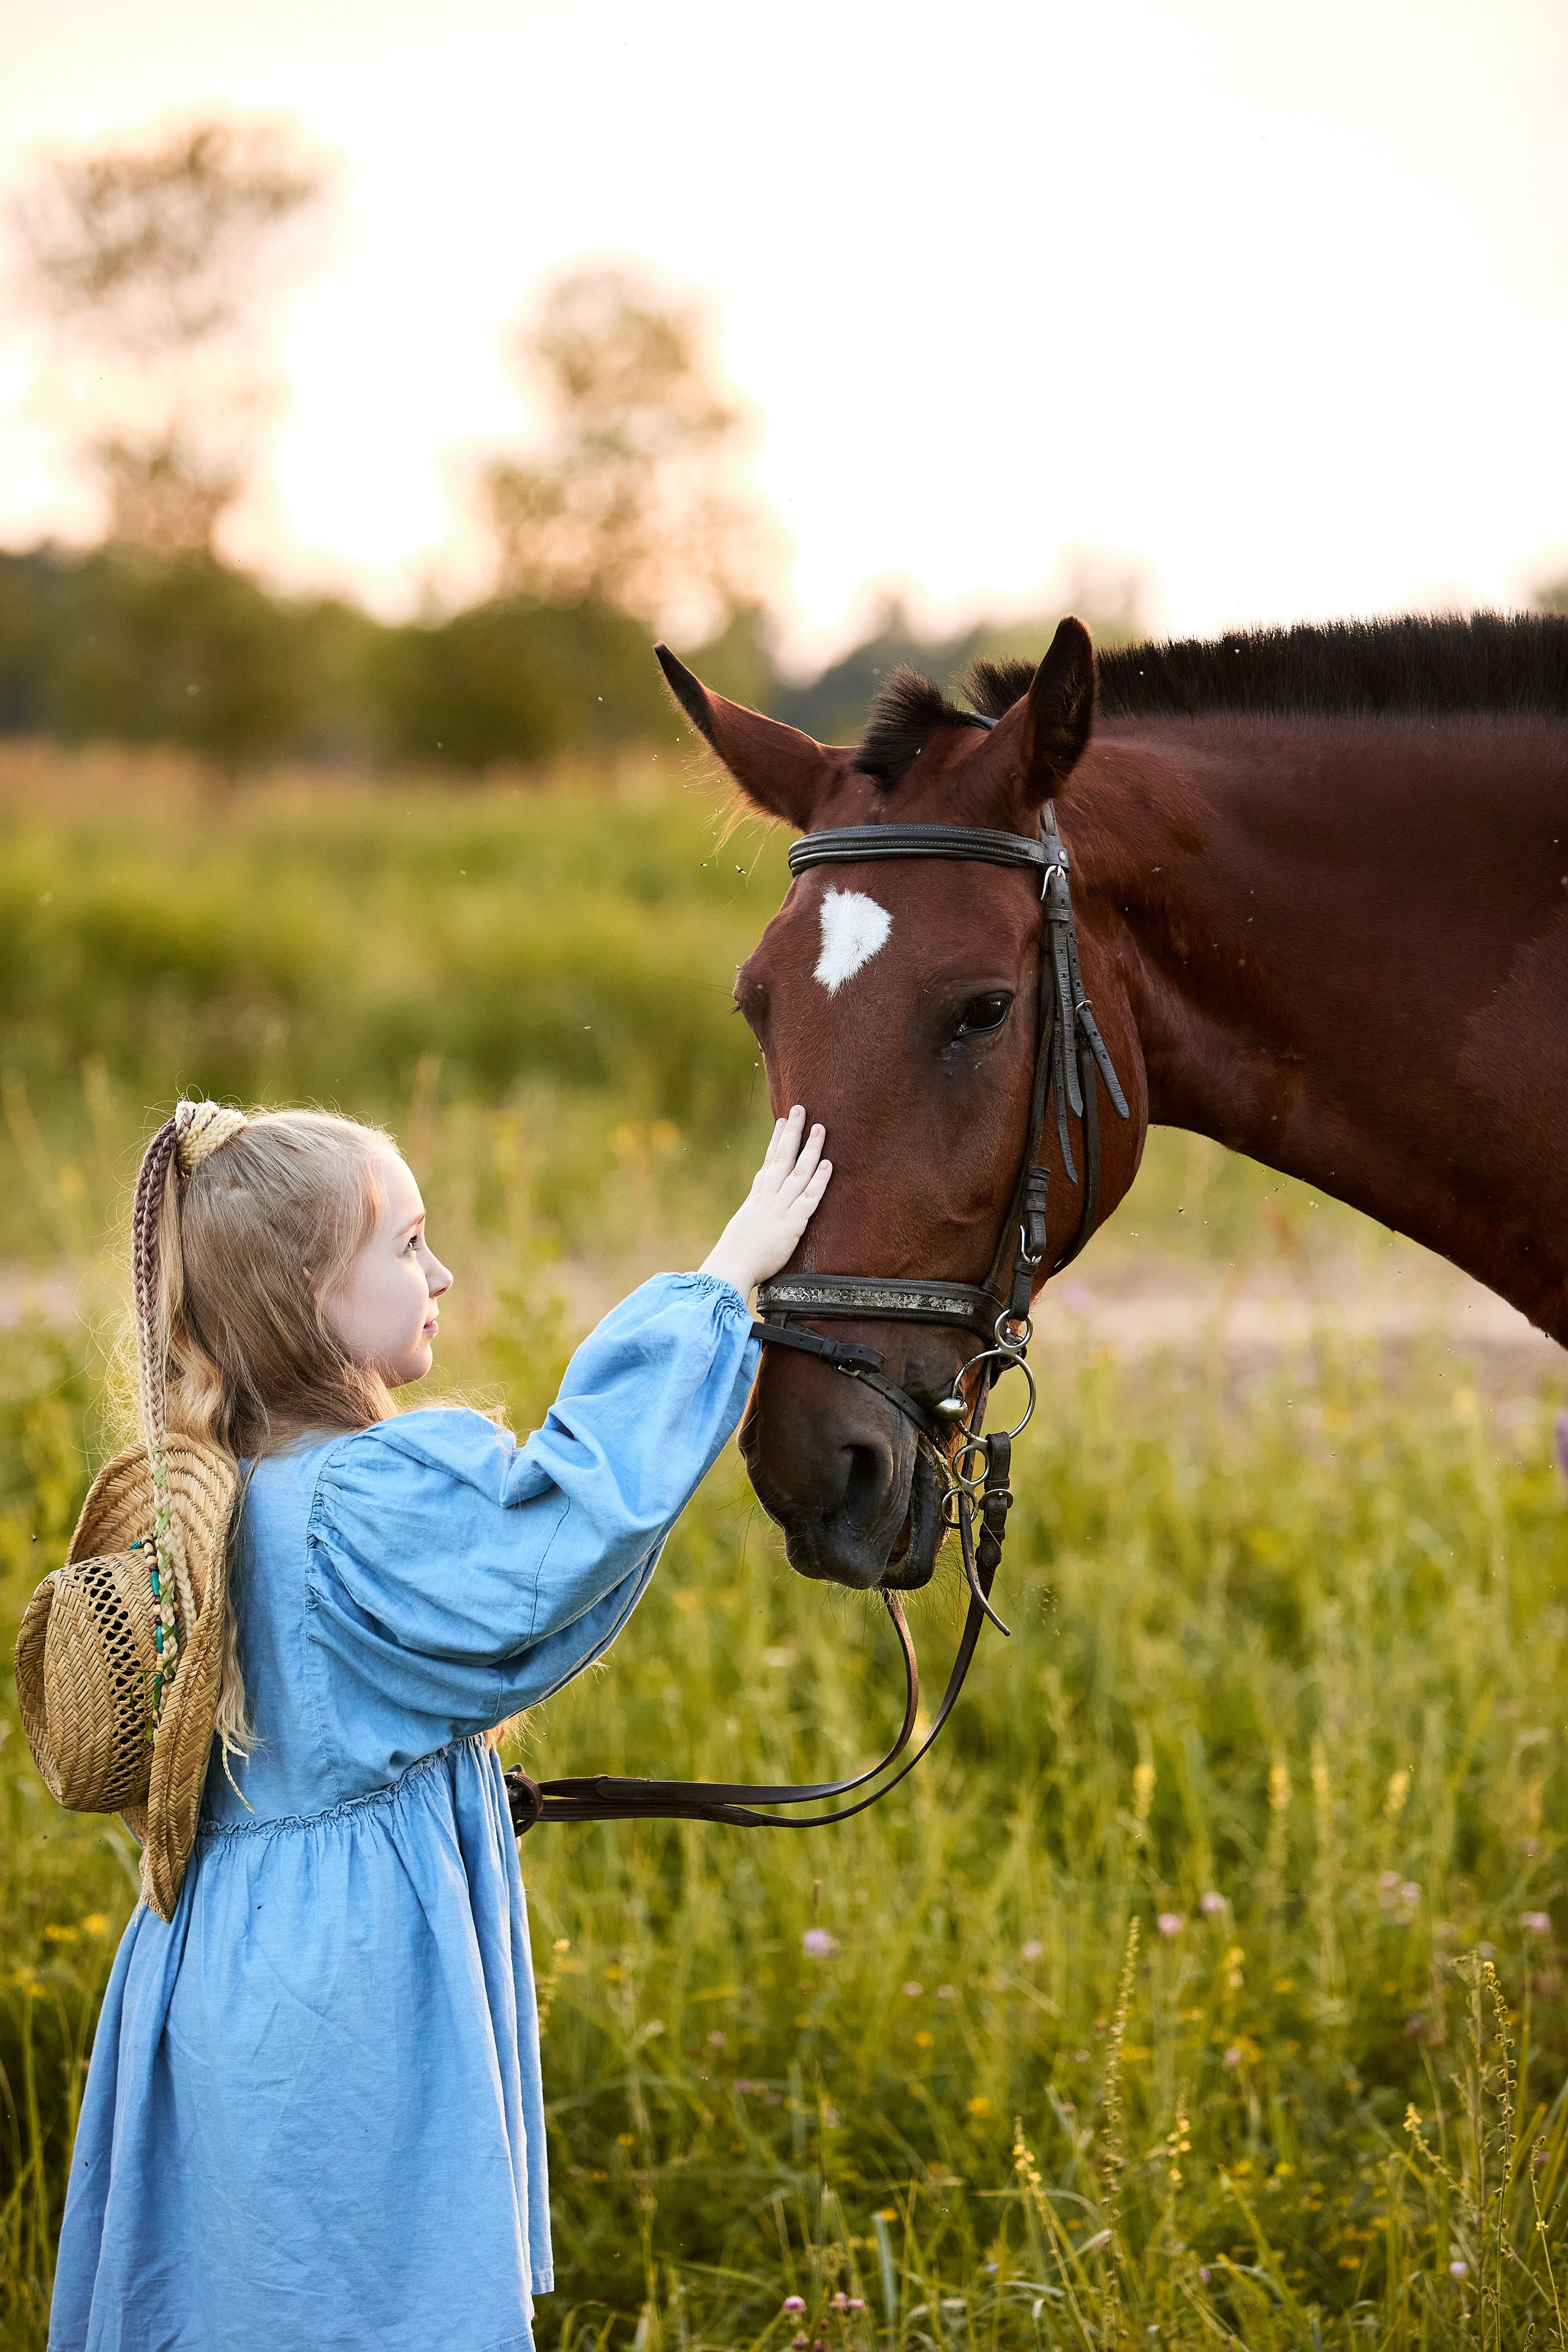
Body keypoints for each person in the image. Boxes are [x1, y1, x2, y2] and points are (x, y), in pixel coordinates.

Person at [47, 1096, 831, 2352]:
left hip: (223, 1966)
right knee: (354, 2299)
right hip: (336, 1998)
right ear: (312, 1295)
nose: (442, 1275)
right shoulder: (360, 1501)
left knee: (244, 2296)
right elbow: (565, 1524)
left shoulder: (241, 1501)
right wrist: (719, 1285)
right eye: (407, 1245)